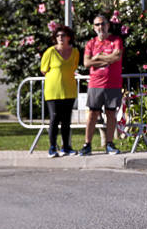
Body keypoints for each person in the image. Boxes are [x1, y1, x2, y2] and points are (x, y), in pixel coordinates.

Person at [80, 14, 124, 155]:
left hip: (113, 83)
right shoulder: (91, 44)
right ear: (94, 27)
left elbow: (117, 56)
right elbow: (87, 63)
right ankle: (87, 144)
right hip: (95, 84)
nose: (100, 27)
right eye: (97, 24)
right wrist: (107, 59)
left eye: (103, 24)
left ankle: (110, 144)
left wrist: (98, 57)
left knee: (111, 114)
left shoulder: (116, 40)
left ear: (108, 25)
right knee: (92, 114)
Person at [40, 24, 80, 157]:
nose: (60, 38)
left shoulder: (75, 52)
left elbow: (73, 67)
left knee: (66, 119)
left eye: (63, 35)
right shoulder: (50, 52)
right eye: (57, 35)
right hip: (53, 90)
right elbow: (43, 69)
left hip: (69, 89)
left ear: (69, 37)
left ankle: (66, 147)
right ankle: (52, 147)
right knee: (54, 118)